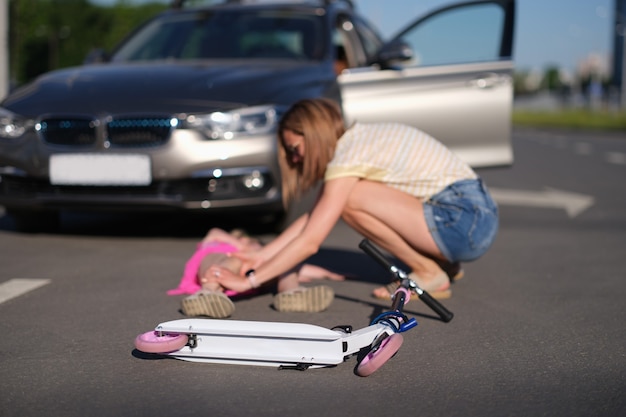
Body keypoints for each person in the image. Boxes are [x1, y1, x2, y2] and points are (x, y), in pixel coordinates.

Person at [209, 98, 498, 305]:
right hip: (472, 215)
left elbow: (311, 239)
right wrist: (262, 257)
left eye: (295, 149)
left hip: (462, 220)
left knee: (350, 200)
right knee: (345, 197)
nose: (296, 159)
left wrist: (249, 280)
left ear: (312, 133)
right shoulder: (357, 142)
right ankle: (441, 262)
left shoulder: (347, 159)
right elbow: (314, 217)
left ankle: (428, 272)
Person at [168, 227, 343, 318]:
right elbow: (214, 231)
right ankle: (208, 293)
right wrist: (241, 246)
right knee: (227, 263)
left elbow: (295, 263)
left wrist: (328, 274)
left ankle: (291, 291)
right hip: (219, 268)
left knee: (285, 264)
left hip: (250, 276)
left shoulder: (259, 256)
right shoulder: (222, 246)